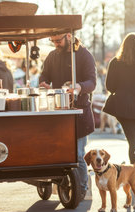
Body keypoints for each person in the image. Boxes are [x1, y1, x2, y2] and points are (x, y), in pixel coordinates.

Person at [39, 33, 96, 200]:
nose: (56, 44)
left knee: (78, 153)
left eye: (58, 40)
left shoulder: (85, 55)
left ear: (69, 36)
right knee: (58, 152)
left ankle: (82, 188)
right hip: (57, 112)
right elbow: (44, 75)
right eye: (53, 41)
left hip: (79, 112)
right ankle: (64, 185)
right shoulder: (52, 56)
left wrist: (79, 86)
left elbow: (92, 82)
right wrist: (43, 83)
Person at [102, 32, 135, 178]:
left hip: (122, 107)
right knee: (134, 140)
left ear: (123, 46)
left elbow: (110, 86)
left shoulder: (115, 62)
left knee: (132, 140)